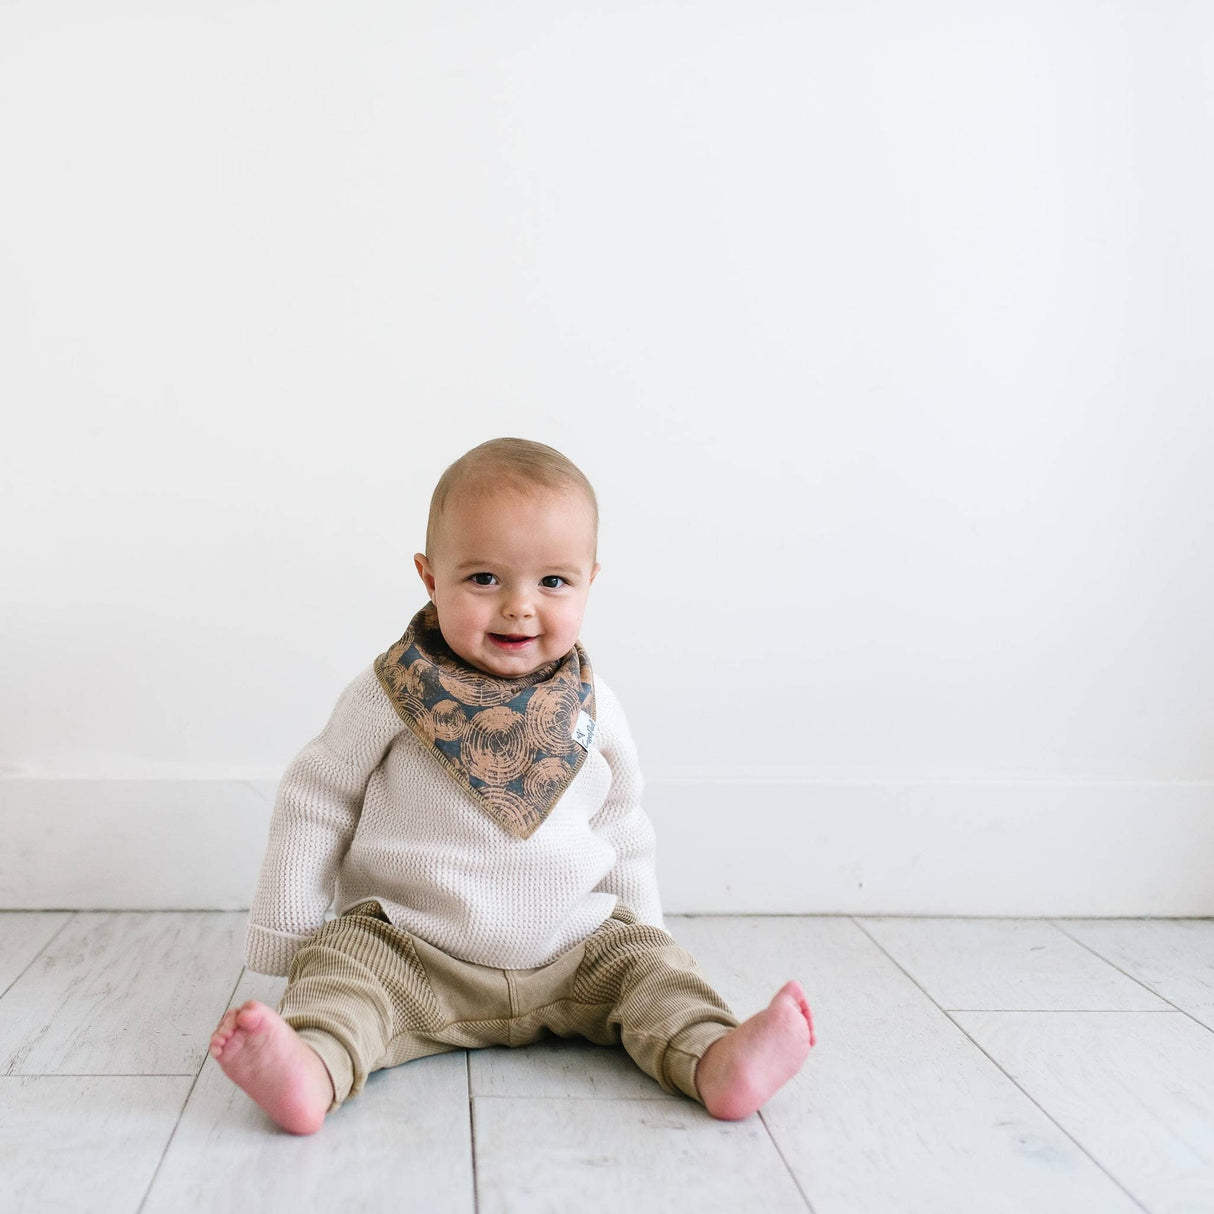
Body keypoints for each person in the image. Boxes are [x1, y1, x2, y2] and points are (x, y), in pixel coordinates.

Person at [210, 437, 814, 1134]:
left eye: (553, 582)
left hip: (574, 948)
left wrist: (649, 934)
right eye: (484, 579)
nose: (520, 608)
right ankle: (311, 1068)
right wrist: (286, 932)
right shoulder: (389, 694)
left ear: (591, 579)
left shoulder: (595, 707)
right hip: (413, 945)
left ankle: (715, 1056)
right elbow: (317, 798)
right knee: (343, 975)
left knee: (654, 977)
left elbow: (622, 824)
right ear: (430, 577)